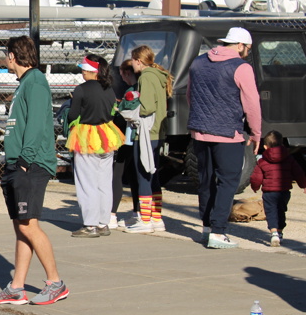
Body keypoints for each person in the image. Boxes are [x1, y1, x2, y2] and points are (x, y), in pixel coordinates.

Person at [0, 36, 66, 306]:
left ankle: (55, 283)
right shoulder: (24, 83)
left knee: (29, 225)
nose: (5, 59)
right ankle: (16, 287)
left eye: (6, 55)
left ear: (12, 56)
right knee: (21, 226)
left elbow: (36, 125)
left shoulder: (35, 82)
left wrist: (24, 160)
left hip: (30, 164)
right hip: (18, 162)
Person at [187, 27, 261, 249]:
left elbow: (190, 95)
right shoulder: (241, 67)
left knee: (206, 180)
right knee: (228, 182)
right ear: (240, 45)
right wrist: (256, 132)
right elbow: (252, 103)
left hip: (200, 131)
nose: (247, 52)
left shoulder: (198, 62)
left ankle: (207, 228)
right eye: (247, 48)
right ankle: (218, 232)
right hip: (228, 133)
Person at [66, 54, 124, 237]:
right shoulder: (109, 89)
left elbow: (72, 115)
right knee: (104, 181)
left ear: (91, 71)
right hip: (107, 135)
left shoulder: (81, 89)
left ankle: (90, 225)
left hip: (86, 136)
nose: (82, 72)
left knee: (86, 182)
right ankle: (103, 223)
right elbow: (112, 113)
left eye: (84, 69)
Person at [123, 45, 173, 234]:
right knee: (153, 175)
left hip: (146, 132)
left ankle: (145, 220)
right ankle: (156, 218)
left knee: (143, 174)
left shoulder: (146, 76)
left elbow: (147, 107)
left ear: (138, 60)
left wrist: (130, 110)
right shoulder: (158, 75)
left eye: (133, 60)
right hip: (157, 131)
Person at [250, 130, 306, 247]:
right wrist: (303, 185)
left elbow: (256, 177)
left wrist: (255, 186)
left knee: (271, 212)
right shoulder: (289, 159)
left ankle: (274, 233)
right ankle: (280, 232)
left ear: (265, 147)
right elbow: (299, 173)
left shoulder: (262, 161)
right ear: (282, 144)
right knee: (281, 211)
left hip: (269, 193)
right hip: (284, 191)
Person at [111, 61, 140, 229]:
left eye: (122, 74)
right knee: (134, 174)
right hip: (136, 137)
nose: (121, 78)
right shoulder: (141, 87)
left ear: (127, 73)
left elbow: (125, 113)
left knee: (118, 173)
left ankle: (112, 214)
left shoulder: (131, 90)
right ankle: (137, 212)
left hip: (128, 137)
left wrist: (117, 109)